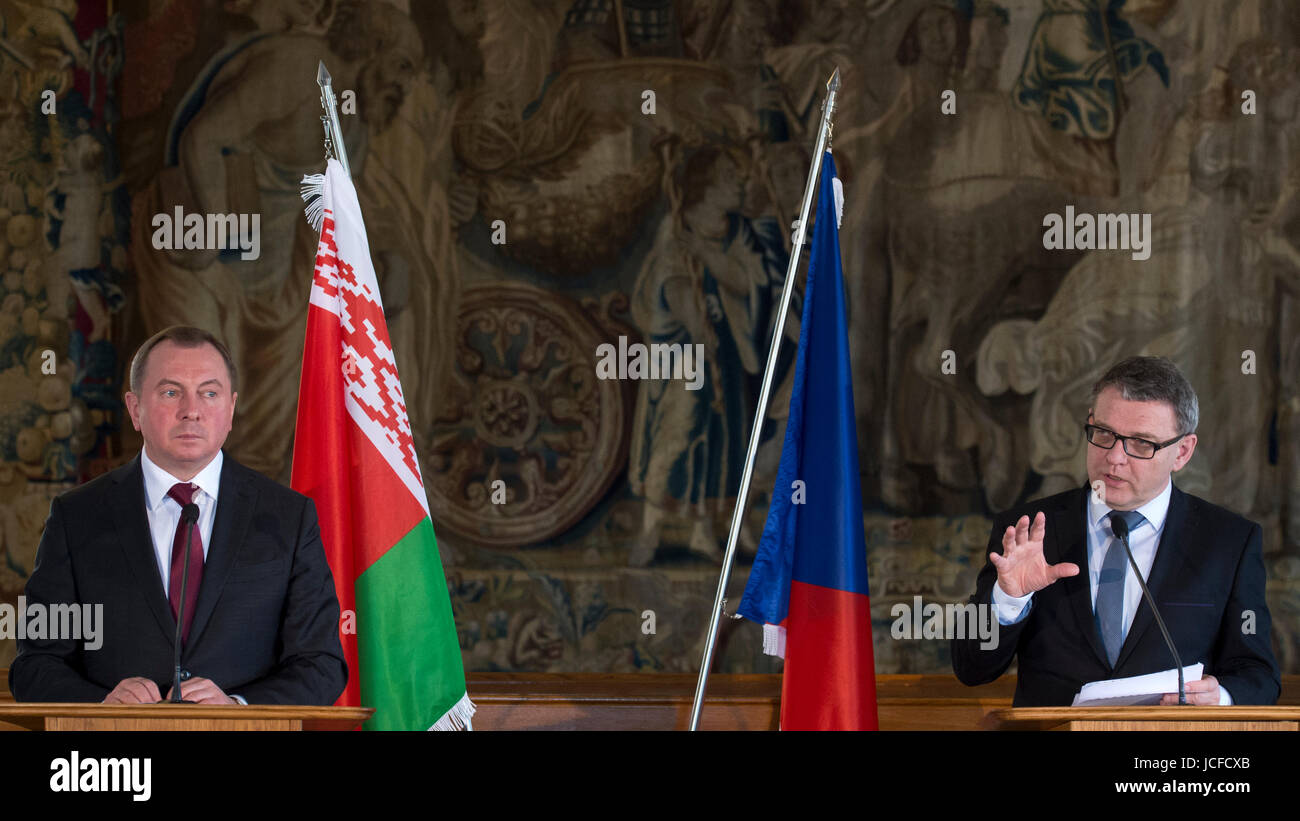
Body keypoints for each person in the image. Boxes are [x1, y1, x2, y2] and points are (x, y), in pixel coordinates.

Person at [8, 326, 346, 705]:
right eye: (171, 392)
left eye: (209, 393)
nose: (191, 411)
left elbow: (322, 664)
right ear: (136, 409)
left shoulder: (289, 517)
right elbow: (35, 665)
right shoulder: (76, 517)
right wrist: (101, 706)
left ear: (230, 410)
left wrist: (238, 708)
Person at [951, 356, 1280, 706]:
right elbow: (971, 668)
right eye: (1104, 434)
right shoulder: (1028, 530)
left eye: (1141, 443)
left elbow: (1257, 674)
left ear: (1182, 452)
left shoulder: (1229, 542)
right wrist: (1008, 600)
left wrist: (1220, 697)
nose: (1114, 458)